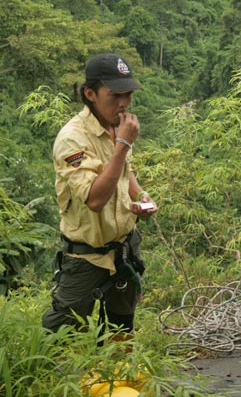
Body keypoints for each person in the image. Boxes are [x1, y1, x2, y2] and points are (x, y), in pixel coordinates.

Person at [42, 53, 157, 338]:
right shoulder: (73, 139)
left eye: (128, 94)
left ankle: (118, 378)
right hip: (87, 256)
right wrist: (122, 144)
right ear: (90, 93)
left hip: (124, 247)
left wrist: (140, 194)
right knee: (59, 333)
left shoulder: (116, 126)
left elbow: (124, 172)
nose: (124, 103)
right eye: (116, 95)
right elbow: (94, 199)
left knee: (121, 327)